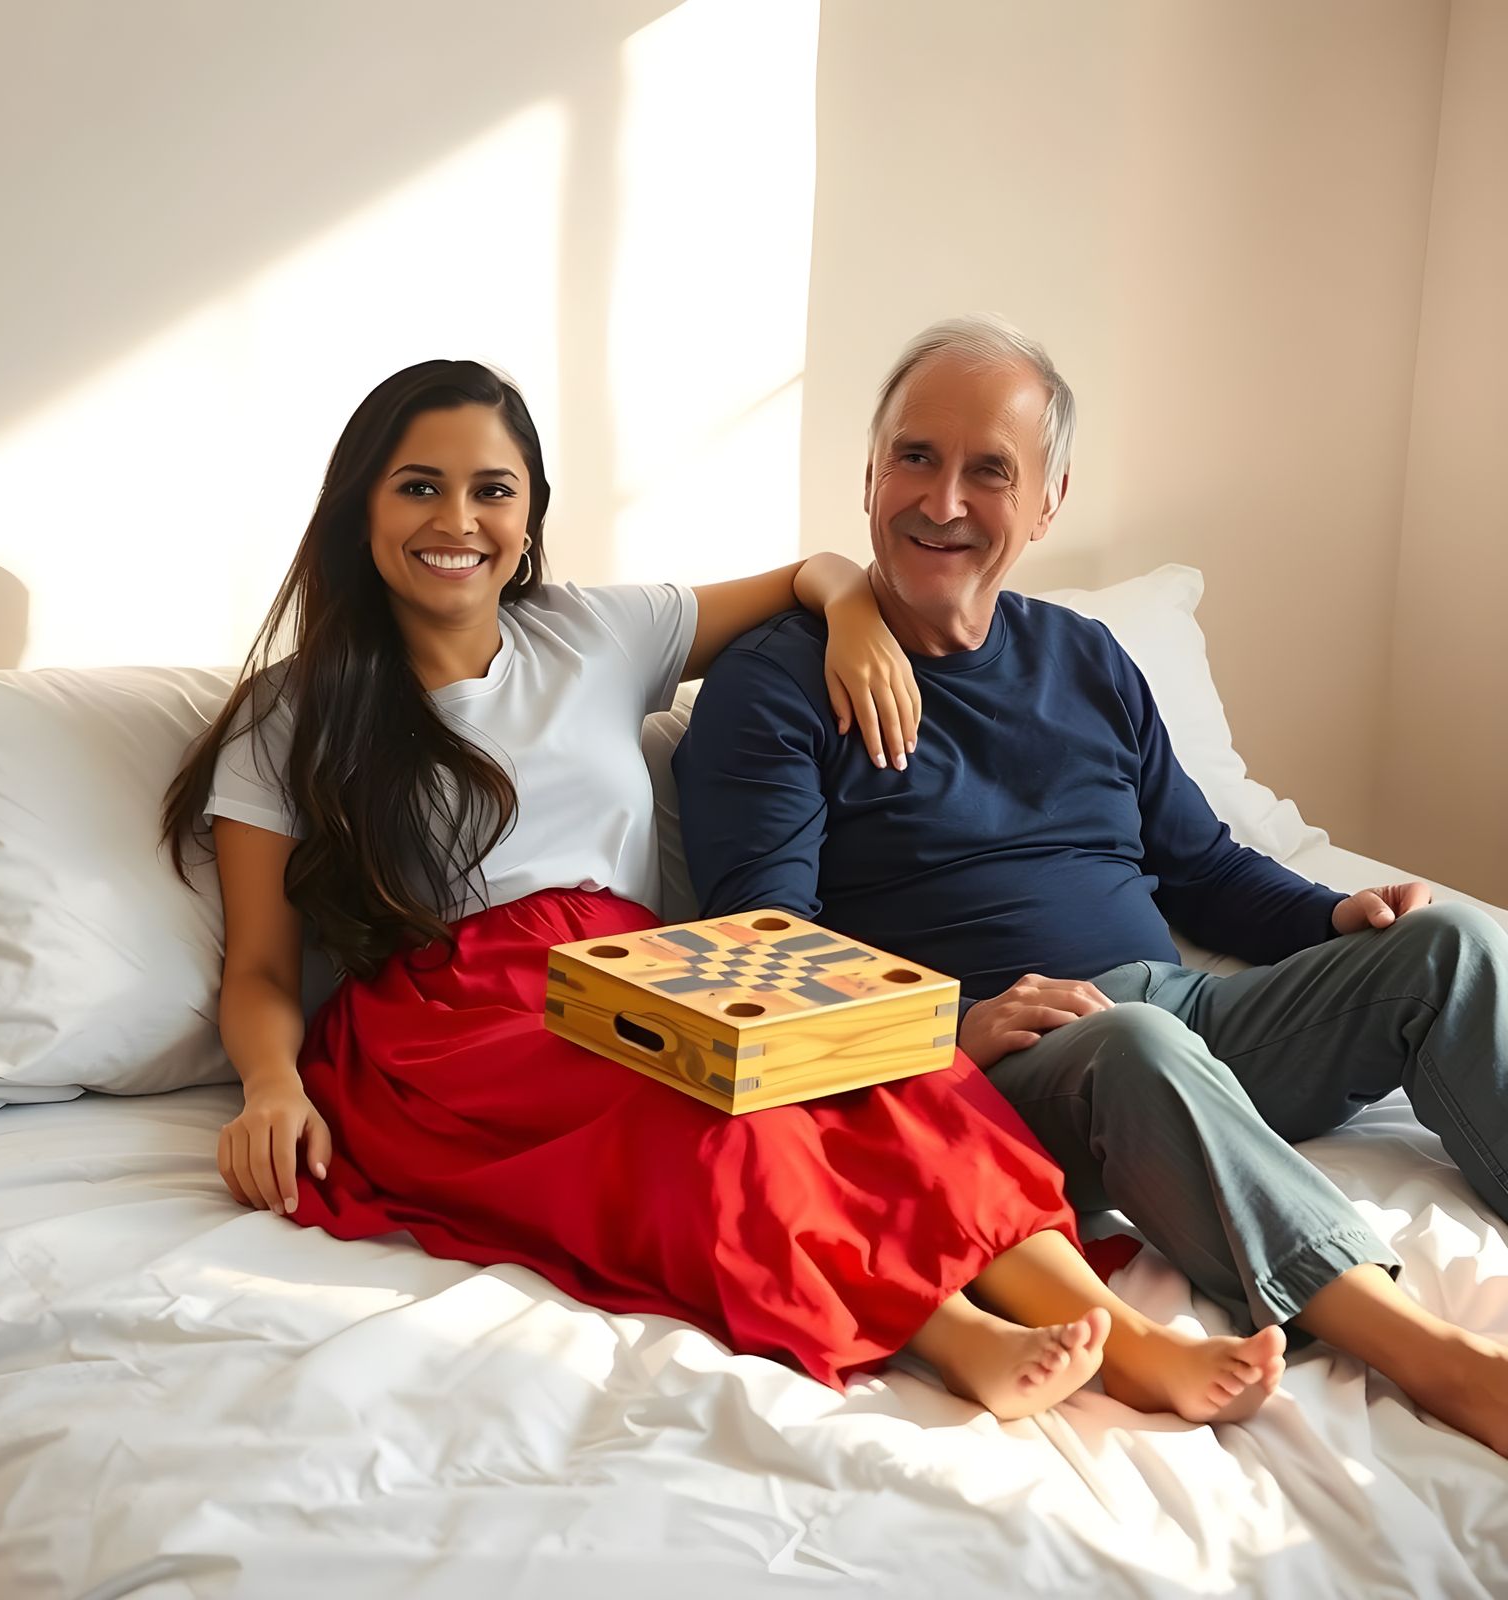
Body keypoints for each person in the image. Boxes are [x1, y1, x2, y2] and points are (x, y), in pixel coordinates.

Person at [162, 357, 1287, 1423]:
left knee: (891, 1064)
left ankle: (1124, 1340)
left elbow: (816, 571)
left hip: (635, 963)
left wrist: (852, 621)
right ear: (360, 508)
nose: (457, 521)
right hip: (451, 1017)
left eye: (491, 490)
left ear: (529, 516)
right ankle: (950, 1334)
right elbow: (260, 964)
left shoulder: (594, 630)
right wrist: (270, 1086)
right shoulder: (289, 712)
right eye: (420, 487)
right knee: (707, 1118)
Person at [672, 313, 1508, 1455]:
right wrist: (956, 1026)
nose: (944, 500)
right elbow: (764, 954)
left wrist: (1329, 915)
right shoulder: (776, 688)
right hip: (997, 1074)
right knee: (1138, 1046)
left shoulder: (1083, 656)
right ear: (868, 474)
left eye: (990, 471)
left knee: (1448, 946)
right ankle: (1438, 1359)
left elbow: (1201, 866)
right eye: (915, 456)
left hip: (1180, 1008)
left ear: (1047, 502)